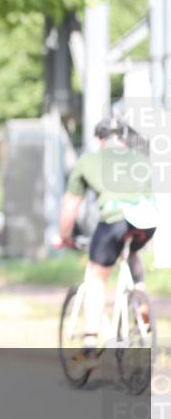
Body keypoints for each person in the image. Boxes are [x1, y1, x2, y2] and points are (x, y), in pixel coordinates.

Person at [55, 116, 158, 371]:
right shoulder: (140, 159)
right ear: (124, 137)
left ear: (99, 139)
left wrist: (64, 235)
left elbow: (70, 205)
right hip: (145, 222)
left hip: (114, 221)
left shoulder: (89, 161)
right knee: (132, 255)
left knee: (96, 278)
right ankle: (142, 311)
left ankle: (90, 346)